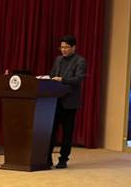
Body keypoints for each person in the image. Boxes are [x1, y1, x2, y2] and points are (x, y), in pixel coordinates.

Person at [46, 35, 86, 168]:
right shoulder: (58, 60)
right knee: (51, 131)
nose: (63, 50)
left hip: (69, 102)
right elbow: (52, 74)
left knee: (67, 133)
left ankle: (63, 159)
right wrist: (51, 79)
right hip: (55, 101)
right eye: (61, 47)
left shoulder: (80, 61)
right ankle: (47, 159)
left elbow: (79, 78)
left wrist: (62, 80)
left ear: (73, 47)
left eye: (66, 47)